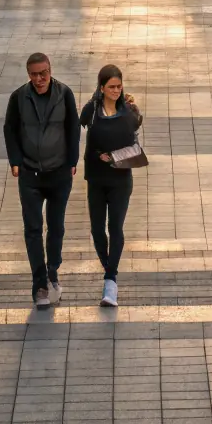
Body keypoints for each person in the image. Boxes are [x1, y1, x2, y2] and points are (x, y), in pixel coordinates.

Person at [3, 53, 81, 309]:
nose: (38, 79)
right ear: (28, 74)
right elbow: (10, 129)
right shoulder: (18, 98)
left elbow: (73, 127)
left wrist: (72, 161)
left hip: (59, 173)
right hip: (30, 175)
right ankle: (39, 284)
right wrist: (15, 160)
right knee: (33, 229)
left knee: (56, 227)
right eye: (34, 74)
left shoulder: (64, 94)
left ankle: (52, 271)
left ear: (50, 70)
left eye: (43, 73)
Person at [79, 65, 144, 308]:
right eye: (111, 87)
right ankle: (109, 268)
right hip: (96, 179)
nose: (116, 91)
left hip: (120, 179)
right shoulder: (92, 111)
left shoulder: (128, 111)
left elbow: (135, 133)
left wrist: (114, 155)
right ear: (102, 87)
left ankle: (110, 278)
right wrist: (99, 156)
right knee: (97, 229)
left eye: (119, 86)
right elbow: (81, 123)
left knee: (115, 227)